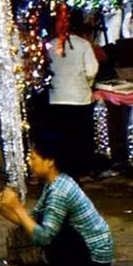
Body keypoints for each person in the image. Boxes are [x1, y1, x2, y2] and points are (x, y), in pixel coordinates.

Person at [0, 130, 113, 266]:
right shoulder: (54, 183)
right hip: (95, 254)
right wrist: (2, 208)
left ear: (50, 162)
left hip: (96, 261)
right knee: (41, 222)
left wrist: (17, 207)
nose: (30, 163)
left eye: (33, 158)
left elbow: (44, 237)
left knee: (51, 231)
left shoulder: (60, 190)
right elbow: (31, 220)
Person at [46, 11, 99, 179]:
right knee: (81, 137)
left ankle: (64, 171)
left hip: (56, 98)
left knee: (62, 138)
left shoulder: (49, 45)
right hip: (79, 98)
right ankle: (82, 171)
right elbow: (92, 70)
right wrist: (87, 84)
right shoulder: (83, 45)